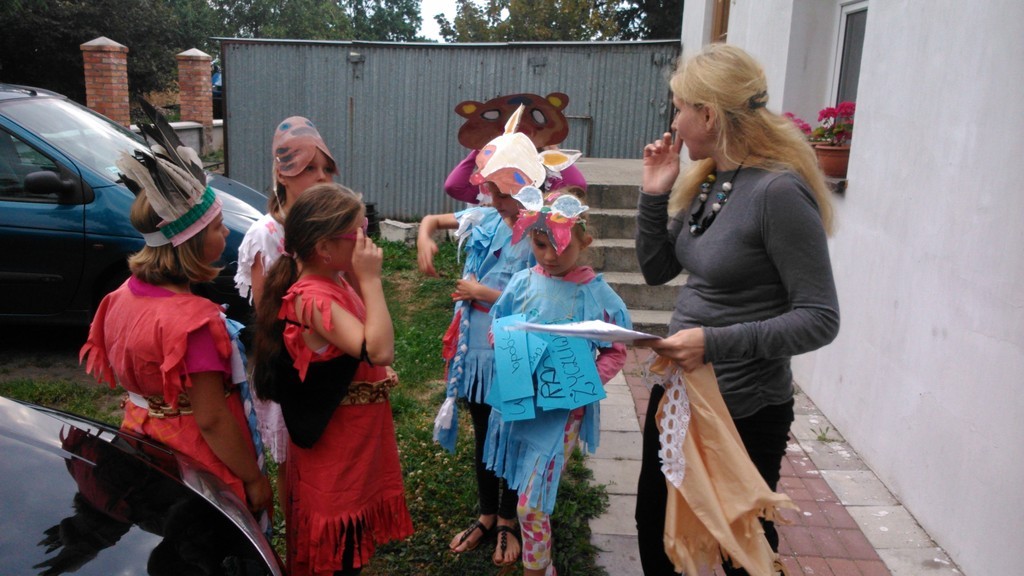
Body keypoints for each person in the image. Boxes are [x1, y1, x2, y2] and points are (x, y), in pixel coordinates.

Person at [633, 43, 840, 575]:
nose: (673, 122)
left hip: (742, 408)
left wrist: (714, 342)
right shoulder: (709, 180)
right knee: (656, 528)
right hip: (682, 391)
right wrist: (654, 193)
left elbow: (820, 318)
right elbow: (658, 269)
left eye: (680, 108)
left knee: (739, 550)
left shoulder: (777, 192)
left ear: (708, 114)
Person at [80, 104, 272, 519]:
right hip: (197, 464)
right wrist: (254, 479)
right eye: (218, 227)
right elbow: (212, 419)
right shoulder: (194, 325)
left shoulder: (119, 297)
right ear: (192, 243)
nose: (226, 232)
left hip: (142, 444)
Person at [419, 104, 581, 568]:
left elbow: (547, 295)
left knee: (513, 433)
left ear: (527, 188)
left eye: (501, 192)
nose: (492, 200)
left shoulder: (545, 231)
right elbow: (436, 217)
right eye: (489, 190)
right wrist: (425, 234)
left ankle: (510, 519)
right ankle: (487, 514)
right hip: (476, 354)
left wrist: (481, 292)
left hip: (516, 351)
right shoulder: (486, 217)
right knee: (485, 432)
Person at [249, 183, 412, 576]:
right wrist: (370, 281)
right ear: (324, 247)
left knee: (349, 551)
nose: (366, 241)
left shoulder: (334, 282)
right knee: (338, 557)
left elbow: (359, 346)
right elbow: (378, 349)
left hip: (354, 441)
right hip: (337, 454)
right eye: (358, 234)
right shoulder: (313, 299)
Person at [484, 186, 631, 576]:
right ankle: (543, 563)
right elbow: (498, 324)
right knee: (523, 487)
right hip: (522, 404)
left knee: (530, 505)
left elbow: (616, 350)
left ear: (584, 242)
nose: (550, 256)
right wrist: (507, 343)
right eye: (540, 244)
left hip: (563, 415)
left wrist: (581, 382)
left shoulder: (596, 295)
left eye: (561, 246)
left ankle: (537, 569)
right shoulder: (521, 283)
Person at [234, 116, 338, 499]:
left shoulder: (335, 226)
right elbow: (269, 318)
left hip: (335, 359)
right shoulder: (266, 234)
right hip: (292, 368)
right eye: (309, 168)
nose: (322, 177)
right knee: (295, 474)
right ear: (282, 175)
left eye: (326, 168)